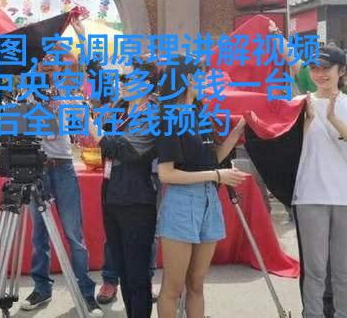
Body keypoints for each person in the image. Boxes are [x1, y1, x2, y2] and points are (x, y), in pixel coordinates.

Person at [155, 56, 249, 318]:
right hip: (182, 203)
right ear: (187, 79)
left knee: (196, 285)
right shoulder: (170, 118)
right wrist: (217, 175)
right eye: (201, 76)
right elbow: (166, 174)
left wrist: (238, 130)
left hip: (209, 200)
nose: (206, 81)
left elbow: (213, 157)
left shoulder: (199, 115)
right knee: (173, 288)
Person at [19, 54, 103, 316]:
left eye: (54, 63)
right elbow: (26, 128)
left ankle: (85, 292)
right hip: (37, 168)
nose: (49, 68)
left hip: (63, 167)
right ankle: (41, 288)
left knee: (73, 233)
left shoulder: (71, 96)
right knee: (39, 234)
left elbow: (83, 128)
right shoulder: (28, 95)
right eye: (44, 63)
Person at [88, 59, 160, 317]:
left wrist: (94, 131)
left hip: (136, 199)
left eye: (127, 78)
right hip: (112, 193)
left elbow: (128, 150)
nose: (122, 83)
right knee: (123, 270)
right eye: (121, 78)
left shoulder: (152, 113)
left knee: (137, 275)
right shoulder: (121, 107)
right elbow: (102, 88)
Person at [289, 44, 347, 318]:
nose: (320, 74)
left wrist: (333, 118)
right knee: (314, 270)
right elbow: (290, 150)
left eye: (326, 68)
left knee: (343, 271)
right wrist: (306, 122)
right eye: (314, 68)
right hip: (310, 195)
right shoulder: (301, 104)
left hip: (344, 197)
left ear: (341, 71)